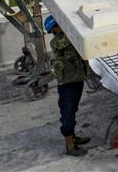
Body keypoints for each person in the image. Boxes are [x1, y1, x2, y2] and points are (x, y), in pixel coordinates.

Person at [45, 15, 90, 157]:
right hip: (67, 83)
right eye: (60, 24)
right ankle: (70, 146)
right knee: (68, 113)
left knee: (73, 109)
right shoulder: (57, 42)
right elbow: (72, 38)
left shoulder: (67, 36)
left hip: (76, 79)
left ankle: (73, 137)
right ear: (55, 29)